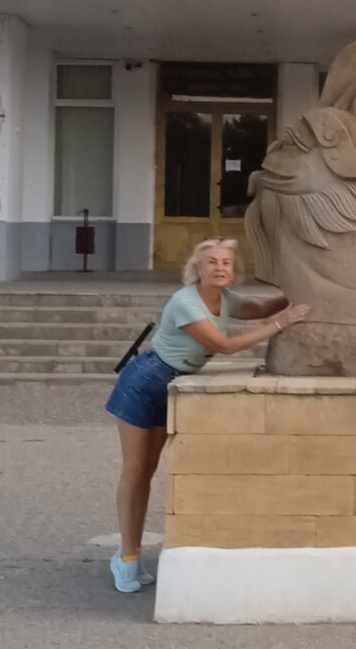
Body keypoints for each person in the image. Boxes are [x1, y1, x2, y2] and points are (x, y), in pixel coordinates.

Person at [104, 238, 307, 593]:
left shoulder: (226, 299)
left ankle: (130, 556)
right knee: (135, 471)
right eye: (211, 261)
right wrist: (281, 322)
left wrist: (298, 292)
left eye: (226, 262)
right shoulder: (185, 302)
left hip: (172, 383)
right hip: (145, 382)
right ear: (198, 269)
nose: (220, 267)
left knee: (149, 471)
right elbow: (224, 346)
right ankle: (126, 558)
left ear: (234, 270)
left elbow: (259, 306)